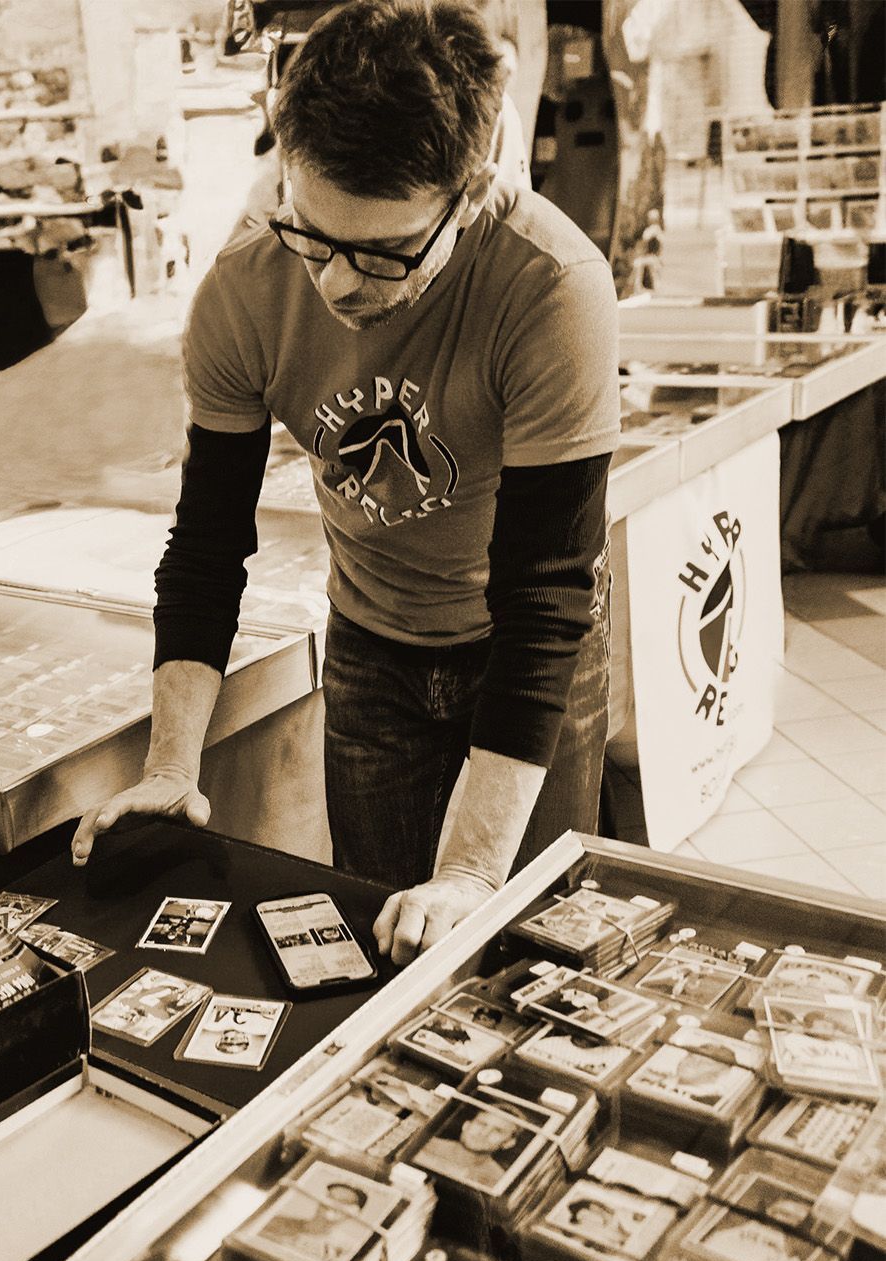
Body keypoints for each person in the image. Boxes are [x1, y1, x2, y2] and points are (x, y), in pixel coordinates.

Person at [72, 0, 619, 967]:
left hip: (527, 649)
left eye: (382, 253)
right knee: (380, 937)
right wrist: (170, 765)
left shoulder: (551, 284)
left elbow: (545, 596)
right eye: (311, 235)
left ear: (469, 191)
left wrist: (471, 874)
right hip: (371, 644)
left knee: (529, 944)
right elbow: (207, 546)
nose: (334, 284)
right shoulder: (245, 289)